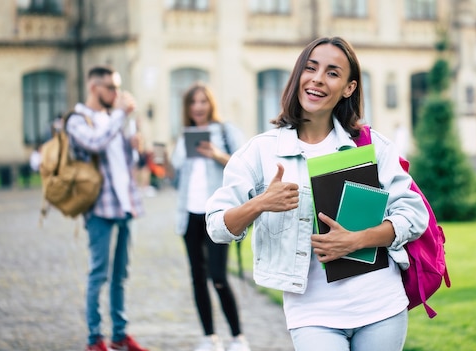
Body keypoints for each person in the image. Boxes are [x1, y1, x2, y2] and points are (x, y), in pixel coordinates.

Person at [205, 37, 429, 351]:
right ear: (298, 75)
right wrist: (260, 204)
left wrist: (357, 239)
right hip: (312, 313)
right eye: (311, 68)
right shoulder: (262, 152)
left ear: (349, 88)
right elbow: (217, 226)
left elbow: (414, 214)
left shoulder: (371, 145)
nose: (318, 79)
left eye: (332, 73)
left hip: (381, 306)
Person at [65, 65, 149, 351]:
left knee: (121, 276)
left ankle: (119, 335)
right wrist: (120, 116)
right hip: (100, 208)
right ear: (93, 87)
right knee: (98, 274)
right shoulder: (78, 119)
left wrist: (134, 146)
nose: (116, 93)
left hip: (126, 204)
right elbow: (96, 144)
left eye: (118, 87)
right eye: (110, 87)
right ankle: (93, 339)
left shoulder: (112, 118)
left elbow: (126, 163)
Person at [170, 83, 250, 351]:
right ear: (188, 108)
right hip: (189, 215)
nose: (199, 107)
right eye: (194, 102)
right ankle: (209, 337)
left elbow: (244, 167)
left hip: (216, 216)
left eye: (203, 101)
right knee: (197, 277)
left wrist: (216, 154)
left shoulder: (226, 132)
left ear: (210, 104)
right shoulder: (184, 135)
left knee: (218, 276)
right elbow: (175, 172)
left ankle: (238, 337)